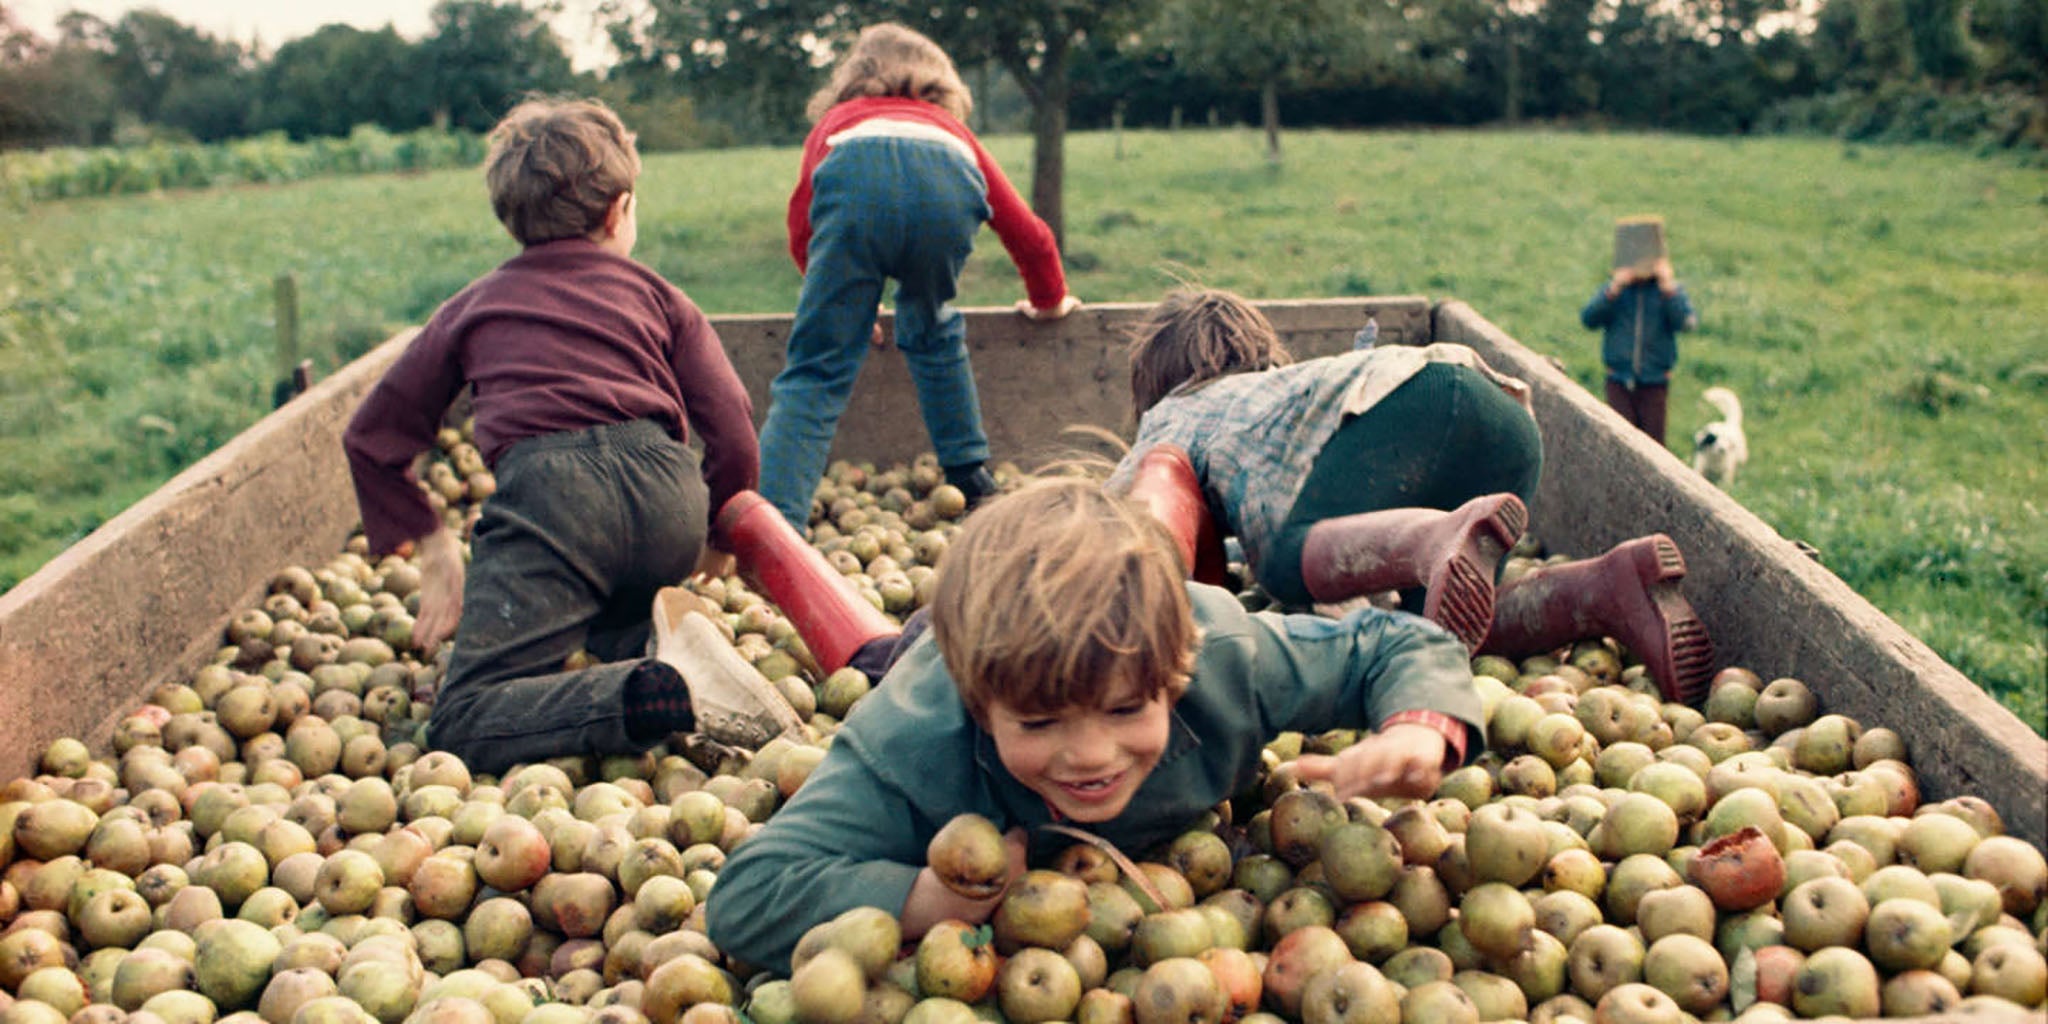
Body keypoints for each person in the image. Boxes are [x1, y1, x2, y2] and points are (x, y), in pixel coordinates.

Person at [698, 478, 1482, 975]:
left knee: (1154, 519)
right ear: (981, 709)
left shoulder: (1228, 660)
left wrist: (1419, 727)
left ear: (1175, 673)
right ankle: (756, 521)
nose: (1090, 756)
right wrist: (922, 901)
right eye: (1040, 723)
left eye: (1125, 710)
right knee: (867, 647)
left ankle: (1169, 464)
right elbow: (745, 897)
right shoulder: (914, 742)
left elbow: (1390, 643)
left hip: (1106, 636)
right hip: (924, 655)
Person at [341, 97, 786, 777]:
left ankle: (636, 695)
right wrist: (720, 533)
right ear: (618, 211)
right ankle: (655, 653)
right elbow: (730, 420)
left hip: (555, 505)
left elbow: (372, 437)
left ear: (511, 218)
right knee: (610, 615)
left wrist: (434, 547)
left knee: (462, 715)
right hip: (667, 495)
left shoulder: (473, 305)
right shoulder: (662, 297)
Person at [1104, 288, 1714, 705]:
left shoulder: (1176, 412)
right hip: (1497, 412)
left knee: (1287, 562)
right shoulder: (1290, 393)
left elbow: (1131, 510)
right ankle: (1604, 591)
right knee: (1442, 626)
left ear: (1157, 385)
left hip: (1406, 409)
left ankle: (1433, 538)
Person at [755, 22, 1082, 530]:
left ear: (854, 78)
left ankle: (775, 525)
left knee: (817, 371)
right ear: (941, 84)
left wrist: (840, 307)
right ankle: (970, 475)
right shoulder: (953, 134)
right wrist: (1050, 299)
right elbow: (1030, 235)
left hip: (855, 191)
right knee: (932, 327)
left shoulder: (837, 123)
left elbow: (803, 223)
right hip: (944, 194)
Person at [1582, 216, 1697, 445]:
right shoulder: (1617, 292)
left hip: (1654, 382)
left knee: (1652, 444)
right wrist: (1614, 288)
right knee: (1619, 441)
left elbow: (1687, 323)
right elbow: (1589, 319)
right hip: (1618, 379)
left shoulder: (1666, 293)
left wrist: (1669, 289)